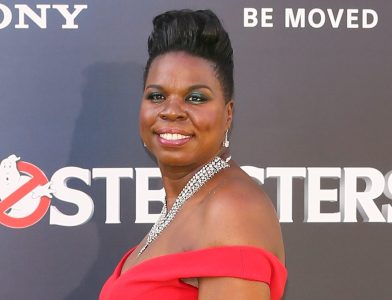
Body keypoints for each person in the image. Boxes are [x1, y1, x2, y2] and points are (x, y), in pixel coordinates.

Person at [100, 9, 287, 300]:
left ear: (228, 115)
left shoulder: (231, 209)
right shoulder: (185, 205)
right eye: (157, 96)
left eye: (195, 98)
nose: (171, 110)